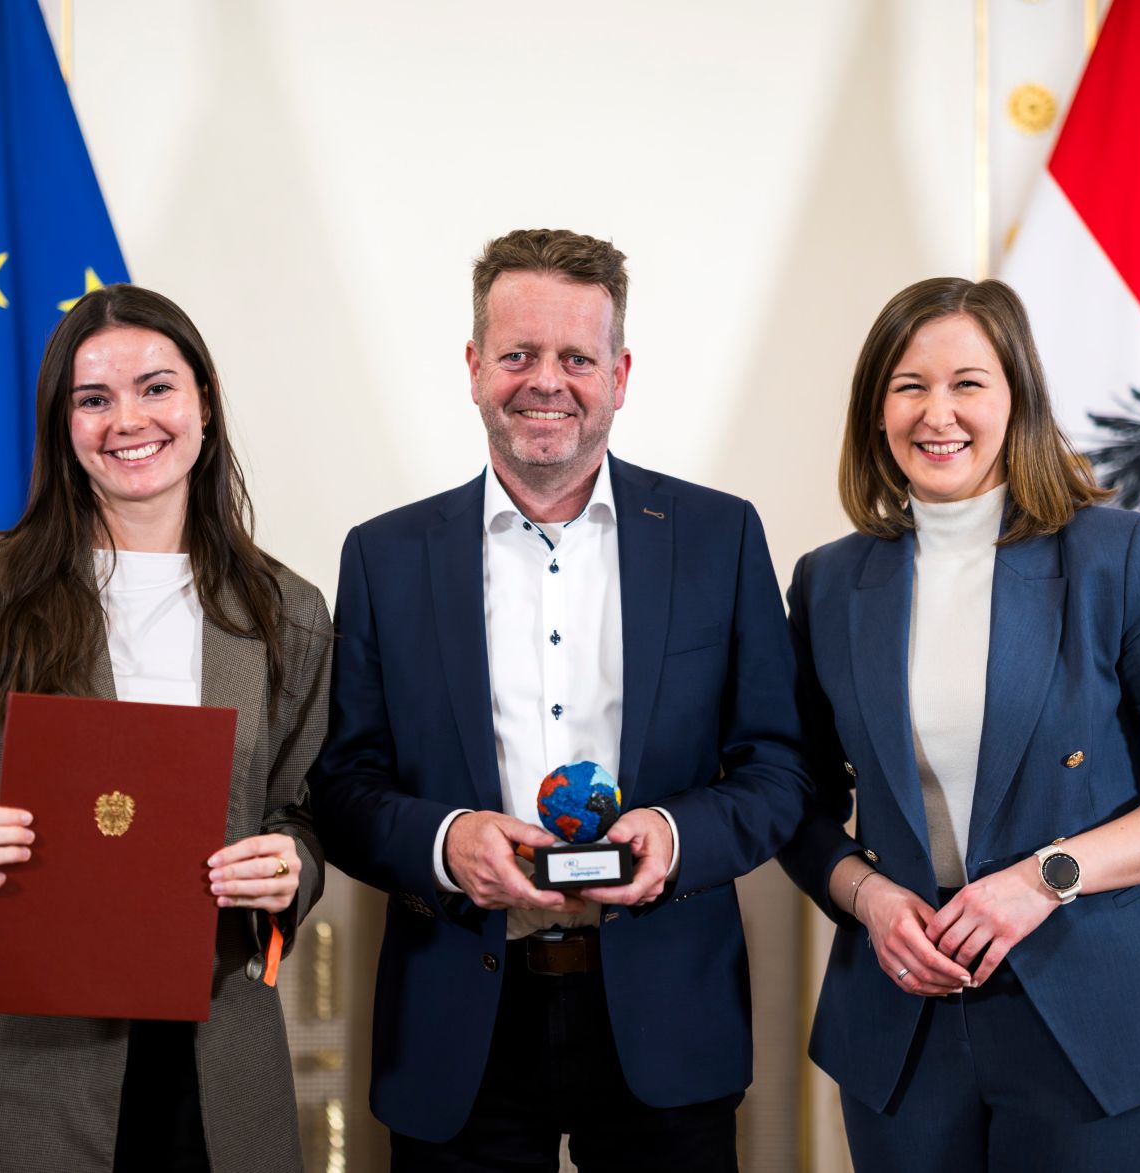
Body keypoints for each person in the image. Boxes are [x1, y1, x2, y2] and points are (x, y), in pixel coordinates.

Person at [309, 228, 812, 1171]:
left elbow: (780, 768)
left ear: (620, 373)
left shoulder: (719, 537)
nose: (548, 381)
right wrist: (446, 841)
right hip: (458, 1017)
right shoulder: (384, 556)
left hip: (666, 1014)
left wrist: (675, 833)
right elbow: (343, 784)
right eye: (519, 354)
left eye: (577, 357)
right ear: (473, 367)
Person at [779, 277, 1140, 1171]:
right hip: (902, 1030)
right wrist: (867, 896)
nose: (939, 412)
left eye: (969, 382)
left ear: (1017, 399)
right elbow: (794, 802)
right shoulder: (828, 582)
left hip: (1101, 1023)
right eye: (909, 384)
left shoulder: (1118, 553)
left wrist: (1047, 877)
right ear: (876, 409)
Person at [0, 284, 331, 1173]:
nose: (128, 420)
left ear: (203, 405)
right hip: (9, 1061)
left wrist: (286, 867)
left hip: (209, 1055)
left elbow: (298, 814)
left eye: (156, 387)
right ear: (62, 425)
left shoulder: (289, 614)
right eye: (94, 398)